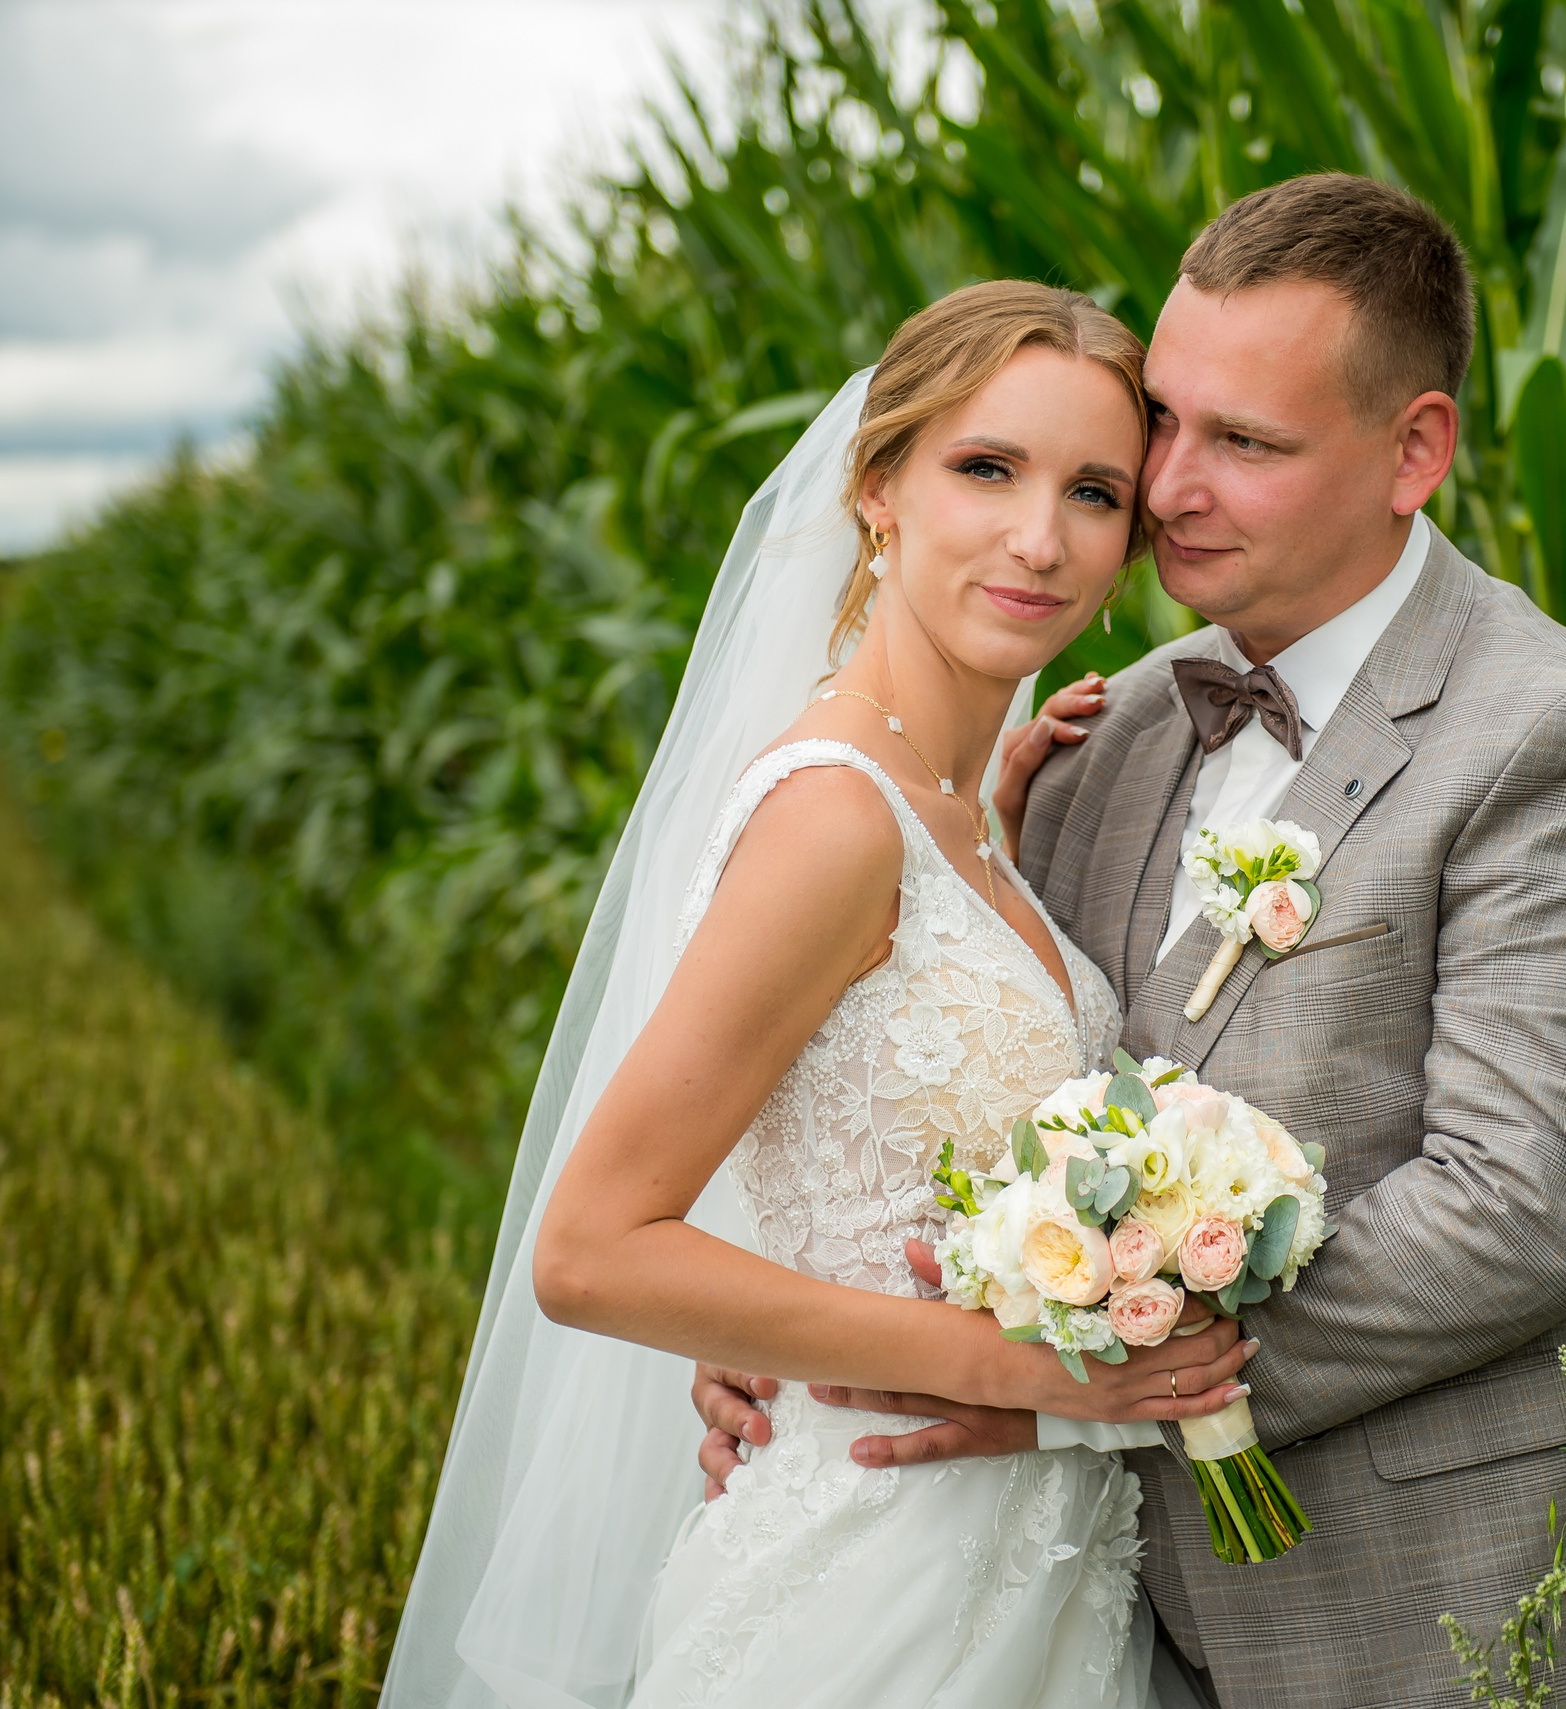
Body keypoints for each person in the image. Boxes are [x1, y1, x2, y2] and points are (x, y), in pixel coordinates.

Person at [698, 173, 1566, 1708]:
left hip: (1480, 1607)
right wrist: (804, 1325)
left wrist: (1074, 1392)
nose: (1167, 486)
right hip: (1124, 1623)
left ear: (1417, 451)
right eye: (1165, 423)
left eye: (1243, 444)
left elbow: (1519, 1205)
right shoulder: (1105, 731)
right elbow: (977, 1100)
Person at [384, 281, 1251, 1709]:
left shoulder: (970, 811)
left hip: (1036, 1579)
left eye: (1095, 491)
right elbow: (592, 1247)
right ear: (876, 488)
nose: (1042, 537)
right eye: (986, 468)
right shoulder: (837, 820)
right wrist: (1033, 1369)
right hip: (869, 1576)